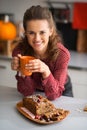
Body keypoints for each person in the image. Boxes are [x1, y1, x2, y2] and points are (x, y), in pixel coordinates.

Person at [11, 5, 73, 100]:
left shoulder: (62, 55)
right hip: (35, 90)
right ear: (25, 33)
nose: (37, 39)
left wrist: (46, 71)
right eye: (31, 33)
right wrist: (22, 72)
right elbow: (26, 92)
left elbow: (54, 95)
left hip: (60, 90)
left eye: (42, 32)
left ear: (50, 31)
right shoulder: (20, 52)